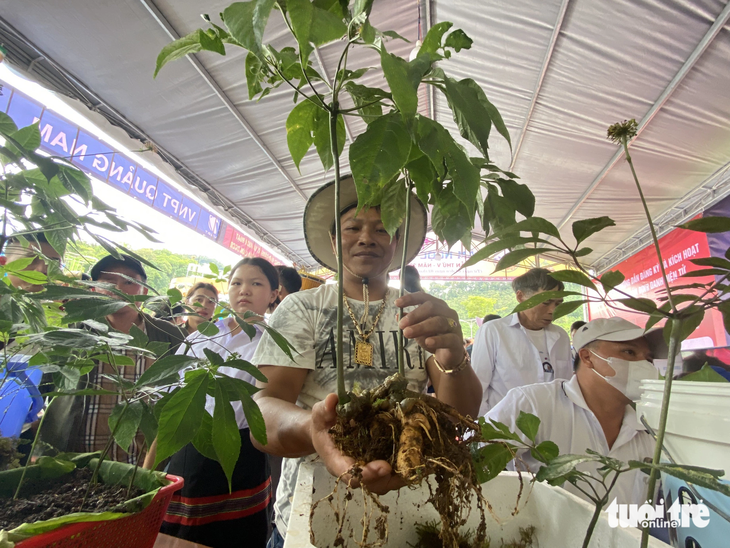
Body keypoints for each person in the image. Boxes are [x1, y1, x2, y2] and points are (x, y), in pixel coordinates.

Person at [250, 177, 481, 548]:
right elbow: (262, 411)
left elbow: (459, 415)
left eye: (383, 228)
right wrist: (313, 427)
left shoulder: (420, 311)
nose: (366, 237)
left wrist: (454, 355)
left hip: (409, 513)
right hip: (308, 515)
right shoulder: (304, 308)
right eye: (352, 227)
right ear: (332, 241)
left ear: (397, 242)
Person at [158, 257, 279, 548]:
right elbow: (174, 395)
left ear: (274, 294)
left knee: (235, 535)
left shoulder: (274, 342)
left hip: (242, 452)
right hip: (190, 449)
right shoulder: (203, 337)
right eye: (236, 283)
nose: (244, 290)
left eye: (256, 283)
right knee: (177, 537)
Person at [485, 317, 665, 505]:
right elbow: (475, 462)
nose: (643, 364)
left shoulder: (650, 429)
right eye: (629, 351)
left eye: (649, 359)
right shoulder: (533, 405)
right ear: (587, 357)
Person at [39, 254, 186, 462]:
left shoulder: (170, 336)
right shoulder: (75, 332)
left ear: (144, 291)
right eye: (109, 282)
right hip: (74, 462)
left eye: (129, 282)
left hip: (142, 466)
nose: (118, 288)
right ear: (94, 290)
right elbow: (46, 388)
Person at [471, 268, 572, 416]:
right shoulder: (493, 331)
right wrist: (485, 429)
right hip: (506, 426)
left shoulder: (560, 336)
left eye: (558, 304)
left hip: (553, 424)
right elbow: (478, 387)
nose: (552, 310)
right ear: (521, 296)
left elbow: (566, 386)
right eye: (546, 302)